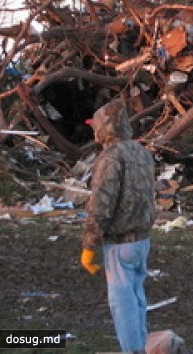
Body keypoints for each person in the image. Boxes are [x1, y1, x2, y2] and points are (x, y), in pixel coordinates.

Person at [80, 99, 156, 354]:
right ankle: (141, 347)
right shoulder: (141, 153)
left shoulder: (110, 157)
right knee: (137, 300)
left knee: (122, 304)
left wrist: (89, 244)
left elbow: (102, 204)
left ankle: (133, 350)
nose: (94, 132)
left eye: (96, 126)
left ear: (104, 128)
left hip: (120, 244)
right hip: (142, 240)